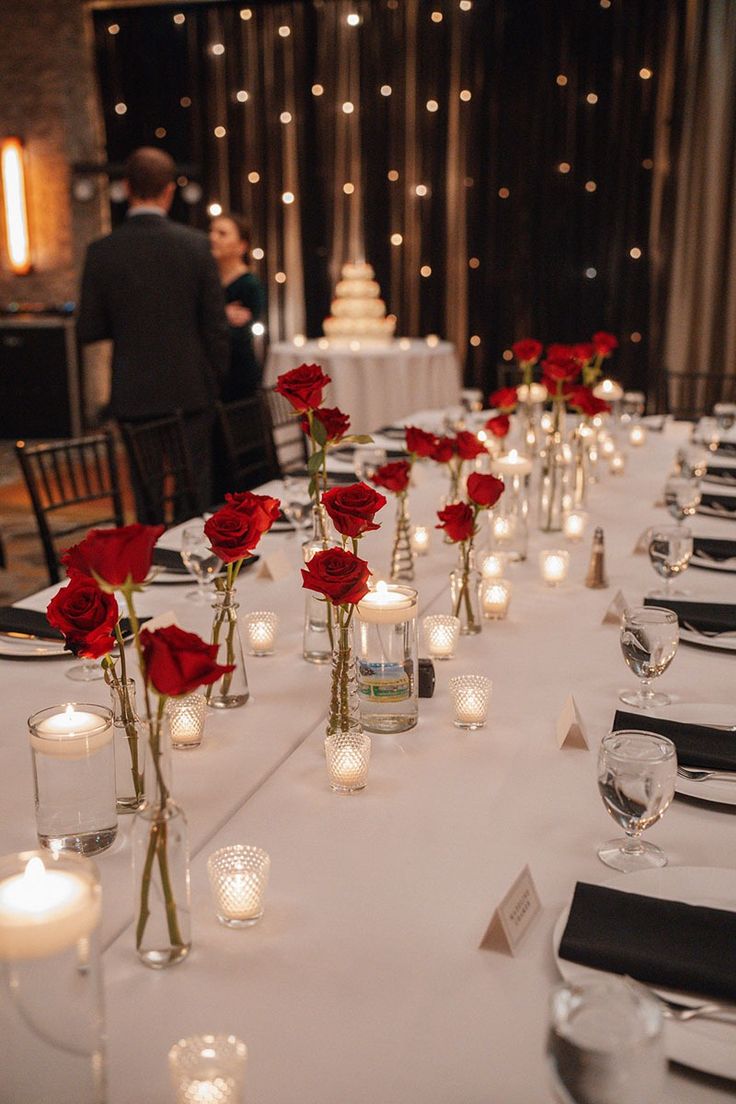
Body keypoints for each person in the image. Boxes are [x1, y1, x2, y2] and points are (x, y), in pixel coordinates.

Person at [77, 147, 229, 517]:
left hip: (134, 392)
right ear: (169, 191)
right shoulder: (197, 246)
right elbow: (216, 327)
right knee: (193, 497)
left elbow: (89, 328)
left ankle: (153, 553)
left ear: (126, 188)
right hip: (190, 390)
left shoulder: (102, 251)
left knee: (147, 499)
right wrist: (214, 380)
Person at [209, 213, 266, 401]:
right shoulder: (207, 282)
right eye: (211, 232)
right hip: (208, 374)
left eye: (222, 234)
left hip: (237, 376)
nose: (213, 238)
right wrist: (223, 315)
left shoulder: (249, 284)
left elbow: (241, 334)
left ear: (242, 246)